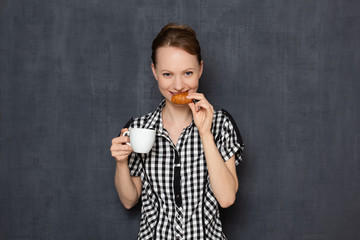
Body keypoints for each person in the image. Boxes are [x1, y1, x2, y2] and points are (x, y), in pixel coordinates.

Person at [110, 23, 244, 240]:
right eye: (167, 74)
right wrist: (121, 162)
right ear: (154, 71)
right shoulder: (138, 129)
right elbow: (129, 200)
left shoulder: (221, 124)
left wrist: (205, 134)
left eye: (188, 72)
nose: (179, 84)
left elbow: (227, 198)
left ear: (200, 69)